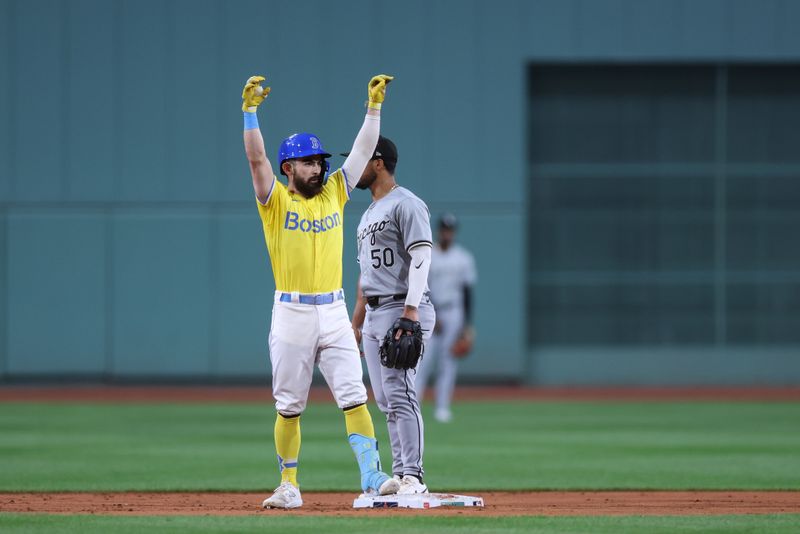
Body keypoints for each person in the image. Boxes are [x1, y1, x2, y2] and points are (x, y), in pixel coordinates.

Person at [241, 73, 399, 509]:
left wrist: (374, 108)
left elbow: (365, 150)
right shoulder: (275, 199)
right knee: (289, 405)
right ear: (289, 167)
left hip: (332, 309)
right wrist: (250, 113)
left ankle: (371, 475)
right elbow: (256, 163)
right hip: (290, 312)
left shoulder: (335, 193)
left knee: (354, 396)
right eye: (309, 161)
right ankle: (289, 485)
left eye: (320, 160)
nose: (319, 167)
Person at [349, 136, 435, 494]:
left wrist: (411, 311)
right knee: (385, 400)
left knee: (400, 392)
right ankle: (400, 474)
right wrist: (355, 323)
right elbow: (365, 276)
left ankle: (414, 475)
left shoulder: (407, 203)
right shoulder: (368, 214)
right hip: (374, 310)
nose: (354, 167)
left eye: (361, 159)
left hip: (403, 306)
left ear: (379, 162)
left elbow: (421, 257)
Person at [415, 213, 477, 423]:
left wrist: (467, 324)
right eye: (444, 229)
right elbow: (420, 286)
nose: (447, 233)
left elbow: (468, 292)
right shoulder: (428, 254)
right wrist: (432, 314)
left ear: (454, 232)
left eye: (450, 230)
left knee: (447, 363)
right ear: (438, 231)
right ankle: (414, 407)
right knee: (422, 361)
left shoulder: (463, 258)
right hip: (430, 310)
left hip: (454, 312)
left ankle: (442, 407)